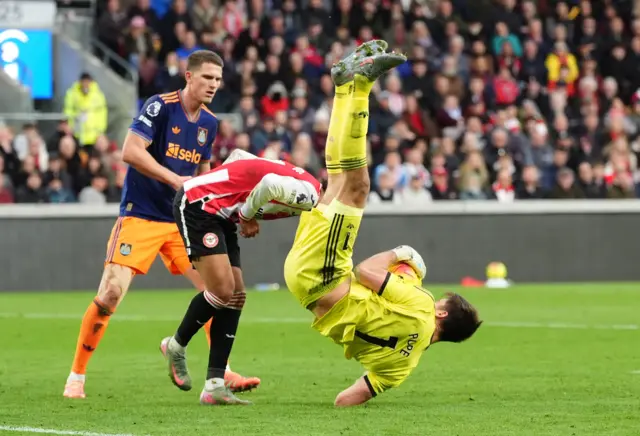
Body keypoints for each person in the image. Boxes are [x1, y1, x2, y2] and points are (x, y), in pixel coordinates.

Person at [283, 40, 482, 406]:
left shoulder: (422, 307)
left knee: (357, 186)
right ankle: (347, 86)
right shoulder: (403, 369)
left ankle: (358, 87)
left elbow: (366, 271)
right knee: (339, 179)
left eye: (441, 299)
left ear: (441, 312)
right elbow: (345, 400)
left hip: (326, 275)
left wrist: (402, 253)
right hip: (308, 289)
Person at [63, 50, 258, 399]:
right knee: (109, 295)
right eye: (207, 78)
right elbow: (131, 151)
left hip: (182, 219)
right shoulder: (160, 105)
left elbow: (201, 175)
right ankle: (76, 376)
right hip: (140, 214)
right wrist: (174, 180)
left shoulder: (209, 124)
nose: (213, 84)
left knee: (219, 292)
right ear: (189, 76)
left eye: (218, 79)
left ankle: (221, 373)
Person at [160, 152, 322, 405]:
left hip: (223, 212)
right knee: (222, 291)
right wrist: (247, 216)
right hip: (198, 204)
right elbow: (268, 183)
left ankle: (214, 387)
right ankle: (176, 345)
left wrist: (232, 186)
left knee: (236, 296)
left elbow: (239, 156)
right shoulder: (309, 195)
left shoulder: (304, 179)